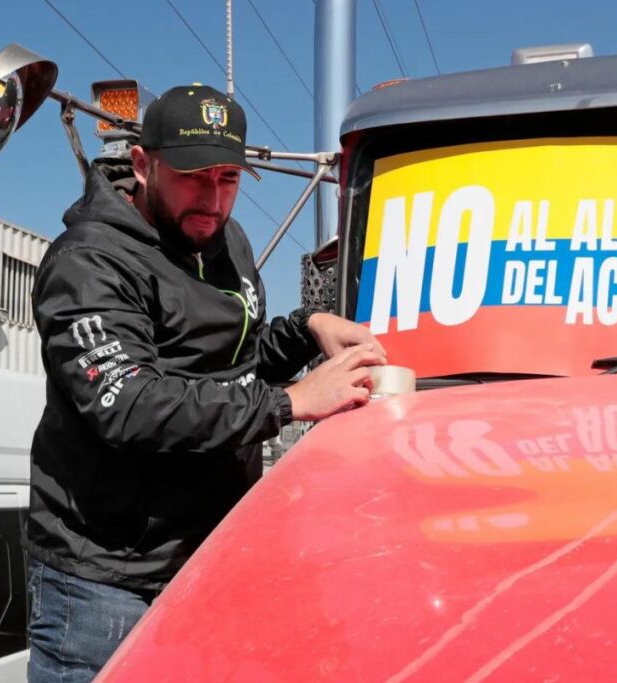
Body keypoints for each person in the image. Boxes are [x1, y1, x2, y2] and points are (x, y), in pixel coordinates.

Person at [25, 84, 386, 682]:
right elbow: (129, 405)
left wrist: (306, 327)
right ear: (143, 164)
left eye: (228, 179)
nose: (213, 201)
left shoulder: (225, 240)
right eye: (194, 177)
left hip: (208, 557)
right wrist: (292, 402)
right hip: (106, 581)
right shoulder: (89, 262)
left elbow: (232, 365)